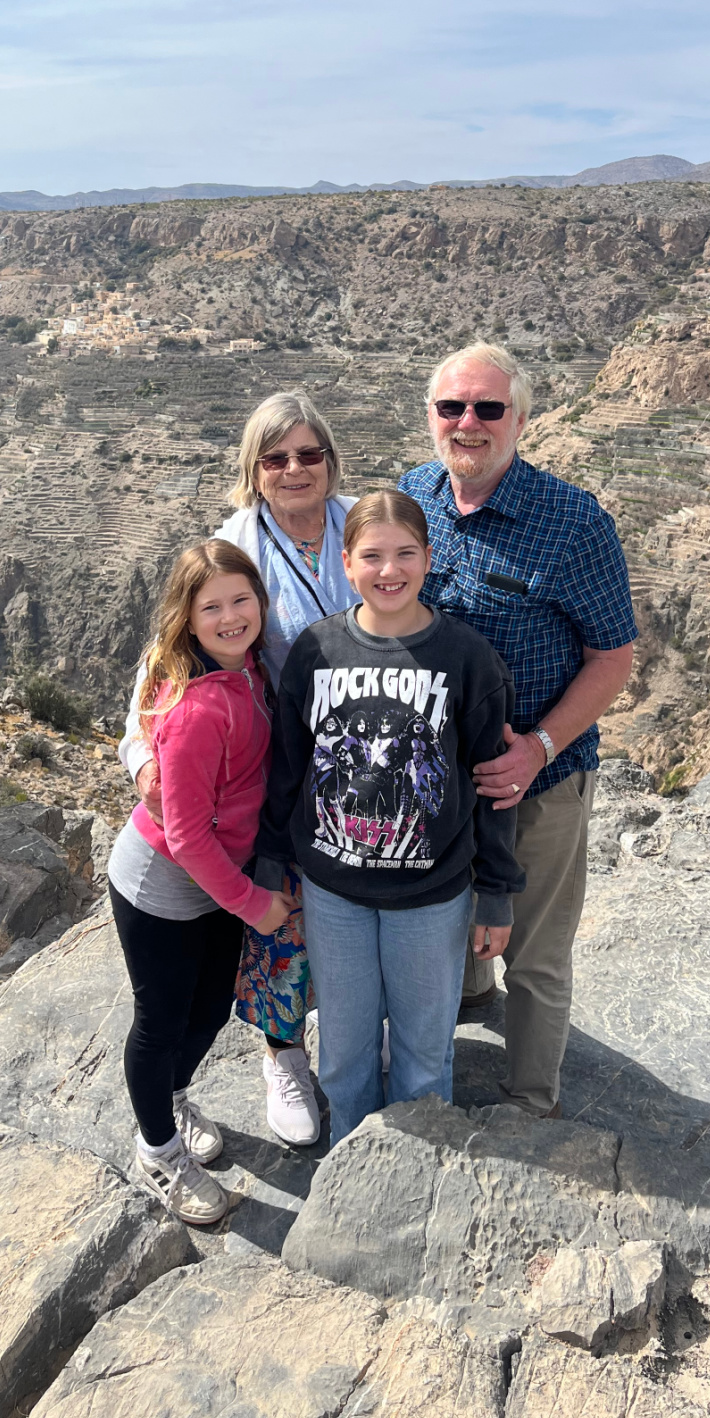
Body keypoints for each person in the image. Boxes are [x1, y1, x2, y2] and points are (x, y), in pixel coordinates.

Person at [399, 342, 637, 1119]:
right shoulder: (413, 498)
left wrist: (538, 749)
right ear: (430, 417)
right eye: (452, 408)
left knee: (535, 951)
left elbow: (614, 656)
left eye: (488, 409)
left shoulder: (572, 522)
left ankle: (531, 1102)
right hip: (434, 776)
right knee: (445, 922)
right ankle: (469, 1005)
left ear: (521, 420)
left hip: (540, 778)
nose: (468, 423)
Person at [118, 391, 355, 1146]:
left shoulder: (364, 527)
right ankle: (286, 1056)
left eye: (308, 454)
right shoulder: (235, 545)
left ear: (330, 461)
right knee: (279, 922)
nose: (294, 469)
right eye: (275, 457)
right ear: (253, 470)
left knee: (349, 917)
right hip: (277, 776)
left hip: (361, 767)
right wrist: (139, 755)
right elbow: (166, 664)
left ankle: (357, 1049)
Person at [255, 490, 524, 1146]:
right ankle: (349, 1169)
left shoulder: (466, 658)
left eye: (406, 554)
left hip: (432, 899)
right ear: (345, 564)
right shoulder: (316, 652)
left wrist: (495, 893)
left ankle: (415, 1176)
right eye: (371, 556)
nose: (389, 570)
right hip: (334, 894)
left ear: (429, 559)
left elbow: (492, 787)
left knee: (424, 1054)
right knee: (344, 1052)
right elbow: (289, 768)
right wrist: (269, 863)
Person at [106, 539, 292, 1226]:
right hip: (162, 886)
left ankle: (175, 1097)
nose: (230, 616)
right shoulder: (198, 710)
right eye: (211, 606)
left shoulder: (249, 674)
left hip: (216, 881)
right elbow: (184, 837)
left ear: (261, 603)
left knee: (212, 1006)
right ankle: (158, 1148)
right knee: (161, 1023)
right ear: (187, 618)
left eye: (241, 599)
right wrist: (253, 903)